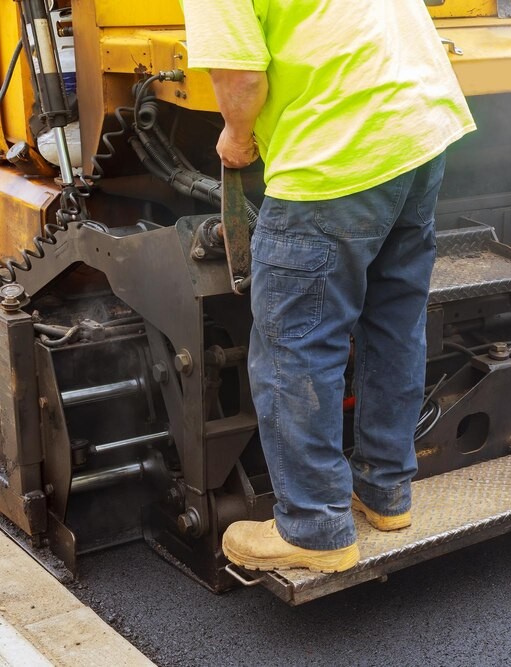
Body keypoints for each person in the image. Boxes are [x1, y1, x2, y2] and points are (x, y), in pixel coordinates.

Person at [184, 1, 475, 573]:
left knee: (296, 345)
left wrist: (237, 137)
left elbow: (241, 78)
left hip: (335, 156)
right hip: (419, 133)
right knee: (395, 323)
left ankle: (315, 528)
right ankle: (386, 491)